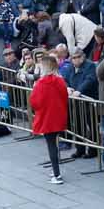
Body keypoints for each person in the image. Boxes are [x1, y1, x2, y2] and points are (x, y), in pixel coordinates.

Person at [28, 52, 69, 186]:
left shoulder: (41, 83)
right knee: (54, 144)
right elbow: (65, 97)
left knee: (51, 145)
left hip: (46, 117)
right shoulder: (60, 81)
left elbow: (34, 102)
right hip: (58, 116)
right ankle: (55, 170)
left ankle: (57, 174)